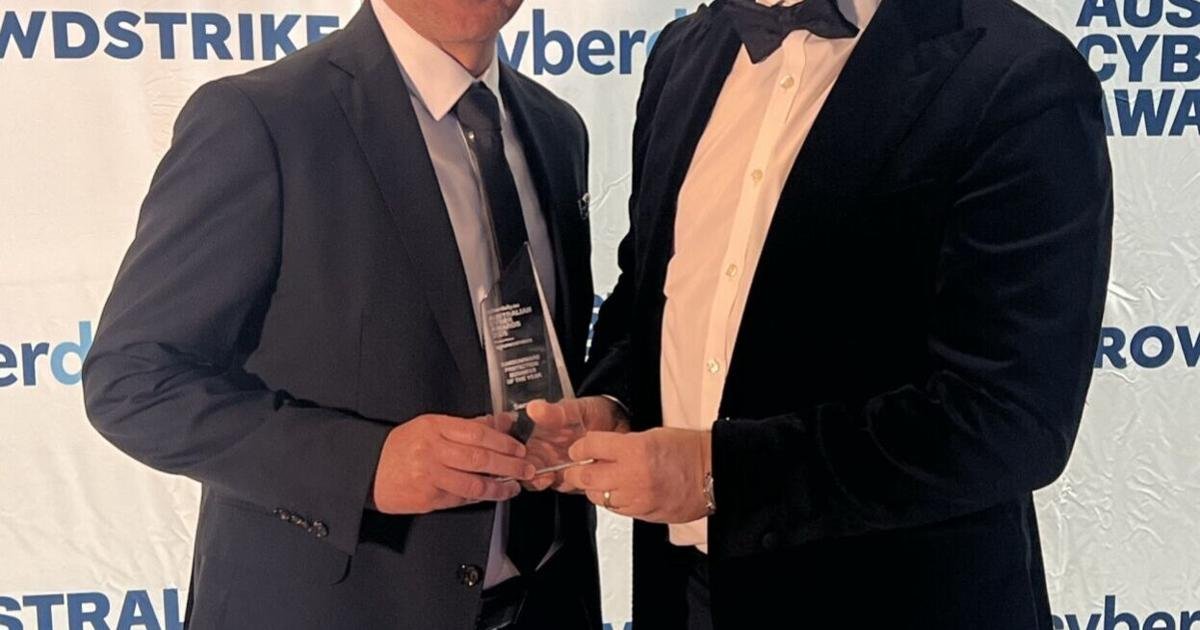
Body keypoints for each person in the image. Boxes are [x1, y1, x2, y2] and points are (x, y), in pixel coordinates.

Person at [542, 0, 1114, 627]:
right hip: (685, 595)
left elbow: (1009, 416)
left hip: (892, 601)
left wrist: (718, 474)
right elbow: (650, 292)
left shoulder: (1019, 74)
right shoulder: (683, 52)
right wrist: (616, 401)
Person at [81, 0, 600, 628]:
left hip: (548, 602)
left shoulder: (556, 127)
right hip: (332, 608)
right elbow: (133, 380)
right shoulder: (262, 118)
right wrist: (364, 466)